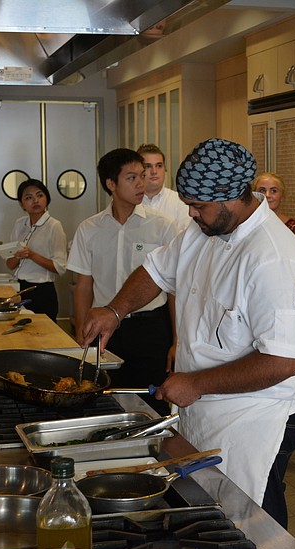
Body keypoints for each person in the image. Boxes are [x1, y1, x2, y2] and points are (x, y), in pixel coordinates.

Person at [77, 138, 295, 528]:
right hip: (202, 403)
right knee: (213, 512)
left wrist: (196, 382)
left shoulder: (274, 257)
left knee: (255, 522)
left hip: (254, 417)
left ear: (231, 198)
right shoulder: (203, 230)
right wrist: (114, 311)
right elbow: (155, 270)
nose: (190, 213)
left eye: (199, 206)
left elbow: (283, 361)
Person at [67, 148, 177, 416]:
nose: (142, 183)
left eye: (142, 176)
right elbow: (83, 285)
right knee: (103, 397)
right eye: (132, 178)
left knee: (151, 401)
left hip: (150, 328)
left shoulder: (162, 226)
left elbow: (174, 289)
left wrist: (178, 339)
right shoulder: (89, 228)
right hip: (104, 330)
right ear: (111, 184)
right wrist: (82, 333)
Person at [5, 179, 67, 321]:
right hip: (19, 287)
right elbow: (10, 264)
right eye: (29, 198)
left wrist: (32, 255)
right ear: (21, 204)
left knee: (44, 337)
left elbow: (60, 268)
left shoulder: (54, 226)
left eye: (40, 195)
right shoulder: (20, 224)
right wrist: (19, 256)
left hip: (42, 290)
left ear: (47, 198)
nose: (35, 201)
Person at [252, 172, 295, 278]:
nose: (267, 195)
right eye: (262, 190)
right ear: (254, 195)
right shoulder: (246, 227)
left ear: (282, 196)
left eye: (273, 191)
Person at [138, 143, 191, 232]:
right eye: (147, 166)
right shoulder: (129, 203)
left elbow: (186, 239)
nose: (154, 171)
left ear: (164, 169)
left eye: (159, 166)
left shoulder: (180, 202)